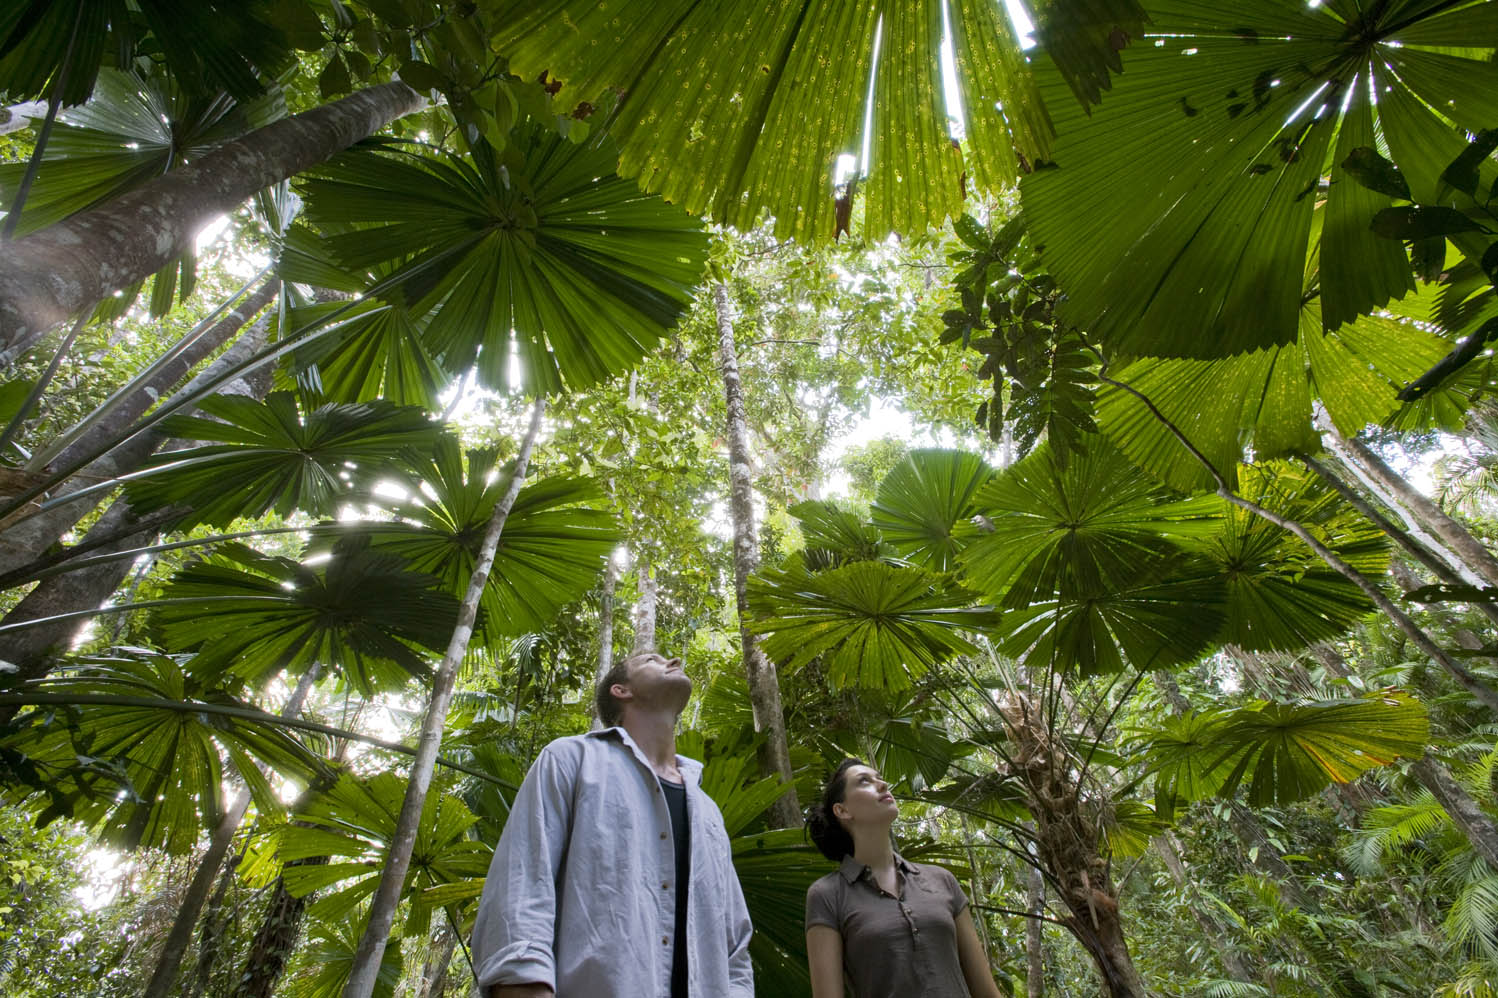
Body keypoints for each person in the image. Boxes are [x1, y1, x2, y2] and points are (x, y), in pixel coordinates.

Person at [470, 650, 754, 998]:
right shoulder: (571, 761)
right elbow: (523, 880)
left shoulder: (708, 811)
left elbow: (734, 940)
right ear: (621, 690)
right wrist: (523, 984)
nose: (673, 660)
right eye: (652, 660)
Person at [804, 759, 1004, 998]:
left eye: (880, 778)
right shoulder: (827, 895)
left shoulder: (942, 880)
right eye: (865, 781)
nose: (882, 785)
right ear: (842, 810)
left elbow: (986, 990)